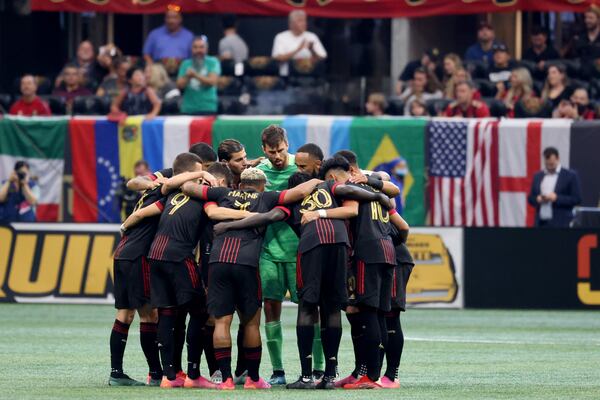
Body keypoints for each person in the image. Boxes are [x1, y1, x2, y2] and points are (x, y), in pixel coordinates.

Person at [181, 167, 322, 390]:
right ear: (263, 185)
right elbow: (299, 192)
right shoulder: (268, 197)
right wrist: (317, 178)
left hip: (218, 262)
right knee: (251, 323)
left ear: (240, 184)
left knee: (221, 322)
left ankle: (226, 380)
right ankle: (253, 379)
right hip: (246, 263)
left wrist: (205, 178)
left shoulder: (223, 193)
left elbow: (187, 187)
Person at [142, 152, 248, 388]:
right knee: (201, 312)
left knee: (167, 313)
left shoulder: (171, 194)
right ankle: (193, 375)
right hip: (178, 256)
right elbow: (214, 214)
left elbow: (143, 211)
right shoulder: (205, 197)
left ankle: (169, 378)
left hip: (154, 255)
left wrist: (125, 225)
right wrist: (249, 214)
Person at [108, 172, 165, 387]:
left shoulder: (155, 187)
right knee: (150, 315)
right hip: (137, 255)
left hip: (123, 252)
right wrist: (124, 226)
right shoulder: (166, 187)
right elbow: (134, 188)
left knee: (125, 314)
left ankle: (116, 372)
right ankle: (156, 373)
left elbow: (134, 182)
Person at [527, 147, 582, 227]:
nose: (549, 166)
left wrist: (557, 198)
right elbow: (530, 198)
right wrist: (537, 199)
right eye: (547, 163)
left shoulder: (570, 176)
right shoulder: (538, 176)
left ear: (558, 158)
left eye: (552, 163)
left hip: (561, 223)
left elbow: (577, 199)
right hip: (541, 223)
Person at [143, 4, 195, 76]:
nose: (171, 21)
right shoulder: (154, 34)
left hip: (182, 71)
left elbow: (193, 55)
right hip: (159, 71)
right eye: (168, 17)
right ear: (165, 19)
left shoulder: (189, 36)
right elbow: (146, 53)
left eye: (174, 17)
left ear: (180, 19)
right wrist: (152, 67)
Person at [272, 10, 327, 75]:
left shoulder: (312, 36)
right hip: (287, 76)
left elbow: (323, 57)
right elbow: (277, 58)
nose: (304, 23)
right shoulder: (281, 37)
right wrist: (298, 49)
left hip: (310, 75)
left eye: (305, 20)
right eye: (300, 21)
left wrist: (312, 50)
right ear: (291, 24)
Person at [177, 36, 221, 115]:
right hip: (188, 109)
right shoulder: (185, 64)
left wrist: (195, 75)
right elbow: (179, 85)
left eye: (201, 47)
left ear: (206, 49)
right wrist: (187, 76)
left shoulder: (213, 62)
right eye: (195, 47)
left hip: (208, 108)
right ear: (191, 49)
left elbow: (212, 81)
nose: (198, 50)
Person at [572, 8, 600, 73]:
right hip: (582, 77)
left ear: (599, 20)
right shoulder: (579, 37)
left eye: (590, 18)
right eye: (586, 18)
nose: (587, 20)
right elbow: (574, 58)